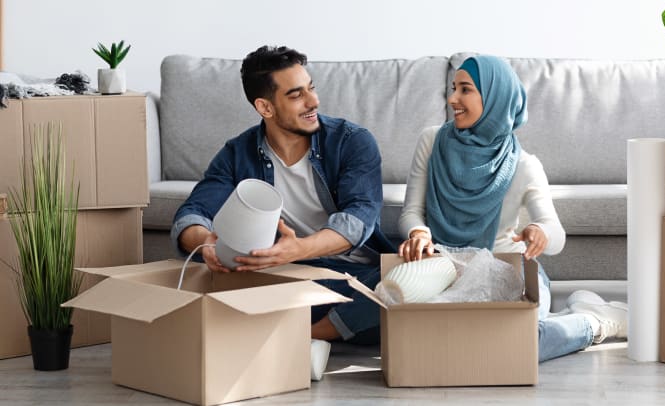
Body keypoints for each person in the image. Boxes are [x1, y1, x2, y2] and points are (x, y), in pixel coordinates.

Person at [171, 45, 395, 379]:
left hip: (350, 277)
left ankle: (304, 334)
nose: (313, 101)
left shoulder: (352, 141)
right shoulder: (237, 153)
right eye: (296, 95)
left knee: (401, 280)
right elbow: (192, 213)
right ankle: (319, 328)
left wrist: (299, 247)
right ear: (265, 107)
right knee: (206, 278)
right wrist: (206, 243)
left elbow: (360, 218)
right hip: (283, 275)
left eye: (311, 88)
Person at [397, 55, 628, 362]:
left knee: (523, 343)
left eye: (465, 89)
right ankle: (576, 315)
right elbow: (411, 211)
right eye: (453, 88)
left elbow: (556, 235)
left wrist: (540, 231)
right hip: (447, 271)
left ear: (495, 97)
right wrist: (419, 234)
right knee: (431, 341)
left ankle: (596, 322)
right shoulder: (431, 141)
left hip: (510, 272)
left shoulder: (523, 164)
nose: (452, 98)